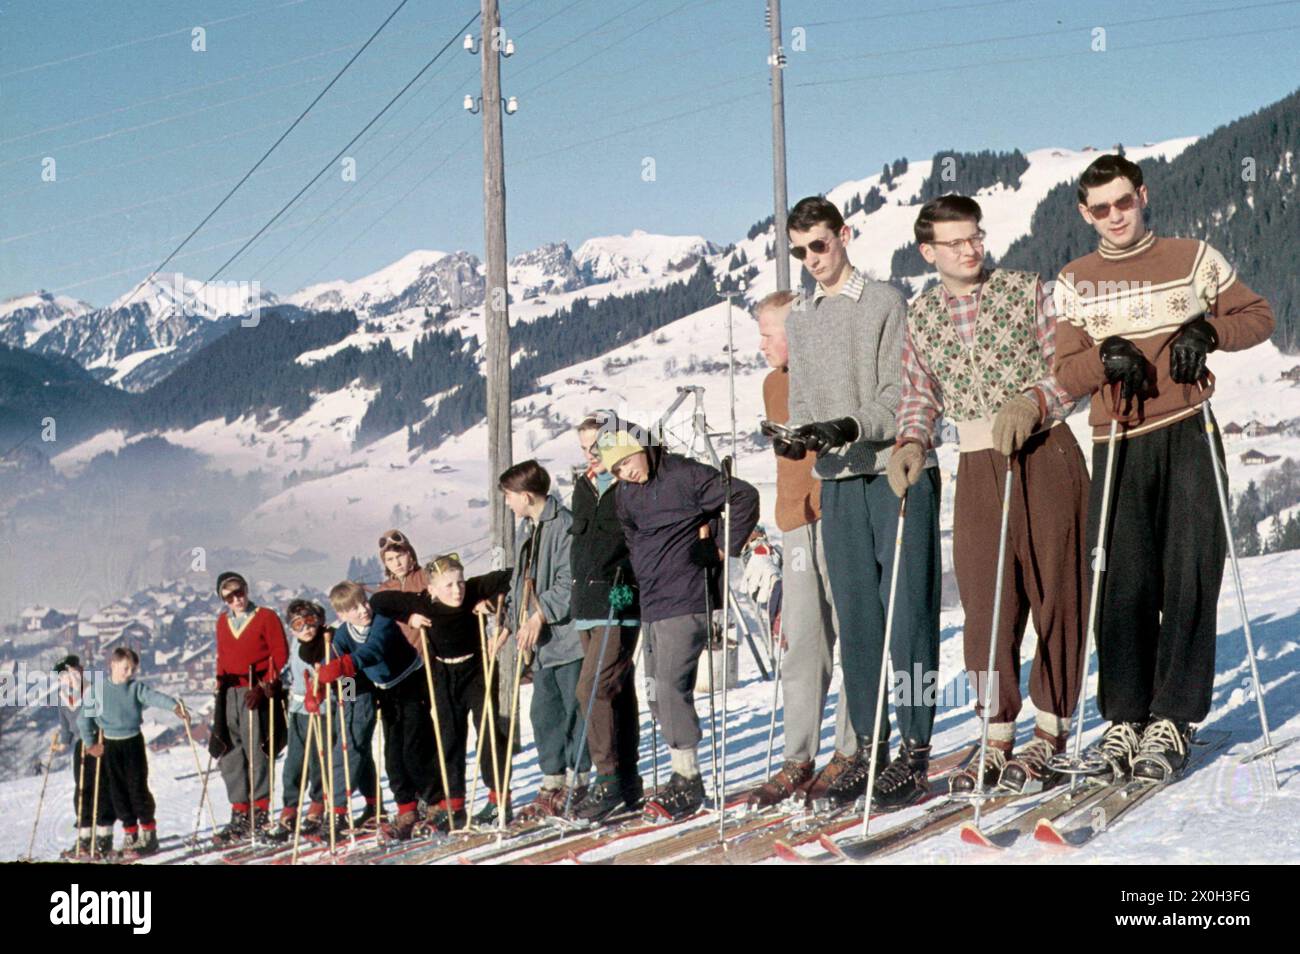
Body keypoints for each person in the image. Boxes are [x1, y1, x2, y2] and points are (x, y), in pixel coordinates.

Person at [1053, 154, 1274, 781]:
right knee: (1122, 581)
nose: (1116, 216)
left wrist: (1206, 331)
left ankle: (1173, 718)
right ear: (1084, 212)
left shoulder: (1192, 257)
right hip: (1119, 438)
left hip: (1189, 430)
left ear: (1142, 195)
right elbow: (1065, 372)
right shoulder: (1075, 278)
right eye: (1102, 208)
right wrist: (1104, 359)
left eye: (1125, 201)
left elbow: (1258, 316)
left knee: (1189, 572)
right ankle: (1125, 717)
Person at [893, 194, 1089, 798]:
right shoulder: (921, 315)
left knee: (1057, 589)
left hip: (1045, 452)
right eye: (955, 242)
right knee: (987, 605)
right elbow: (920, 393)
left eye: (975, 236)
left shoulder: (1026, 289)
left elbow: (1072, 366)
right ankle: (996, 731)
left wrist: (1034, 402)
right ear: (928, 252)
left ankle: (1050, 731)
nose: (971, 248)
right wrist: (910, 442)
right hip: (978, 463)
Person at [780, 195, 943, 807]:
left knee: (909, 619)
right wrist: (801, 434)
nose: (810, 260)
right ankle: (870, 751)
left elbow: (897, 394)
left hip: (893, 473)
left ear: (843, 236)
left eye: (818, 246)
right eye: (798, 252)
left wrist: (847, 427)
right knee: (857, 624)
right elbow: (802, 405)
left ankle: (917, 752)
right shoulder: (800, 317)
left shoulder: (884, 303)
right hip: (838, 483)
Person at [604, 426, 760, 819]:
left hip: (687, 596)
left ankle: (688, 780)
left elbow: (742, 495)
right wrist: (632, 568)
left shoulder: (683, 474)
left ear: (640, 449)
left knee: (671, 688)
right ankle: (680, 772)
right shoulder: (626, 493)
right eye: (616, 470)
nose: (625, 473)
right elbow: (631, 533)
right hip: (653, 601)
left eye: (626, 462)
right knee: (655, 691)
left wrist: (723, 545)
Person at [749, 293, 856, 809]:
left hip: (836, 513)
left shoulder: (831, 370)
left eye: (769, 333)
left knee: (851, 631)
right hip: (795, 521)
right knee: (803, 644)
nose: (762, 344)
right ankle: (799, 755)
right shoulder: (773, 383)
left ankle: (851, 750)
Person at [370, 553, 513, 829]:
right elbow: (378, 602)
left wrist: (495, 607)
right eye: (448, 586)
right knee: (448, 737)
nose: (457, 590)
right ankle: (453, 803)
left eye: (459, 582)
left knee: (488, 732)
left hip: (477, 670)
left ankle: (499, 799)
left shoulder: (471, 591)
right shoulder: (423, 602)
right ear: (432, 589)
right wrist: (410, 617)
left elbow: (509, 577)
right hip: (438, 676)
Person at [497, 459, 588, 817]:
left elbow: (570, 583)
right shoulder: (531, 530)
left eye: (508, 496)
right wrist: (506, 622)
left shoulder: (562, 526)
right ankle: (552, 780)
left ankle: (577, 781)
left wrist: (541, 613)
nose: (506, 503)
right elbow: (521, 585)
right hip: (543, 647)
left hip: (565, 639)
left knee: (573, 711)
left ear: (526, 495)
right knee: (543, 713)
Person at [314, 581, 435, 840]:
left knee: (413, 747)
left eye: (363, 602)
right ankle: (407, 810)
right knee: (393, 755)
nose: (363, 610)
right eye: (354, 608)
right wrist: (324, 689)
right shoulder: (343, 634)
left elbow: (374, 650)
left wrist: (344, 665)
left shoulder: (383, 622)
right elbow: (336, 664)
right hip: (386, 691)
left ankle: (431, 801)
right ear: (342, 615)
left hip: (410, 681)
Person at [568, 417, 644, 821]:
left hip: (619, 597)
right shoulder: (581, 487)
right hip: (588, 603)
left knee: (592, 687)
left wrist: (629, 587)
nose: (591, 454)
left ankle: (608, 778)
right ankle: (629, 782)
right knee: (615, 690)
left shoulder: (628, 485)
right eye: (584, 447)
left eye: (597, 444)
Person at [77, 647, 187, 855]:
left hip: (133, 743)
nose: (129, 674)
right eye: (126, 668)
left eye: (133, 670)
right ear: (113, 664)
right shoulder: (96, 691)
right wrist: (91, 744)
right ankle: (130, 833)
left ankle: (148, 834)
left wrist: (174, 706)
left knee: (137, 787)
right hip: (110, 745)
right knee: (118, 792)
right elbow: (84, 720)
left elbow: (154, 697)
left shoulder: (135, 688)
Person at [211, 571, 289, 845]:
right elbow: (222, 655)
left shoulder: (266, 617)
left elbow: (280, 655)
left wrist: (265, 685)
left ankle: (260, 809)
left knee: (257, 749)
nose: (237, 599)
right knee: (230, 751)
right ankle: (240, 809)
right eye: (229, 596)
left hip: (254, 691)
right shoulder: (223, 622)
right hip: (230, 691)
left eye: (239, 592)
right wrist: (219, 686)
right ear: (223, 599)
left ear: (246, 589)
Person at [266, 600, 330, 842]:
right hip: (298, 709)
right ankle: (290, 807)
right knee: (293, 762)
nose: (306, 628)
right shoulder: (295, 644)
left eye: (310, 621)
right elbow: (290, 672)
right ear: (291, 629)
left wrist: (348, 700)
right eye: (298, 624)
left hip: (323, 710)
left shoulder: (327, 642)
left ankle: (317, 805)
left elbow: (347, 673)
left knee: (317, 760)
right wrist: (276, 685)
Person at [52, 655, 114, 856]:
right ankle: (85, 838)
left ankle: (104, 837)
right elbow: (65, 726)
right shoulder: (63, 698)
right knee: (82, 790)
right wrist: (62, 743)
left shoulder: (93, 691)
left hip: (98, 742)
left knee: (101, 788)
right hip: (81, 746)